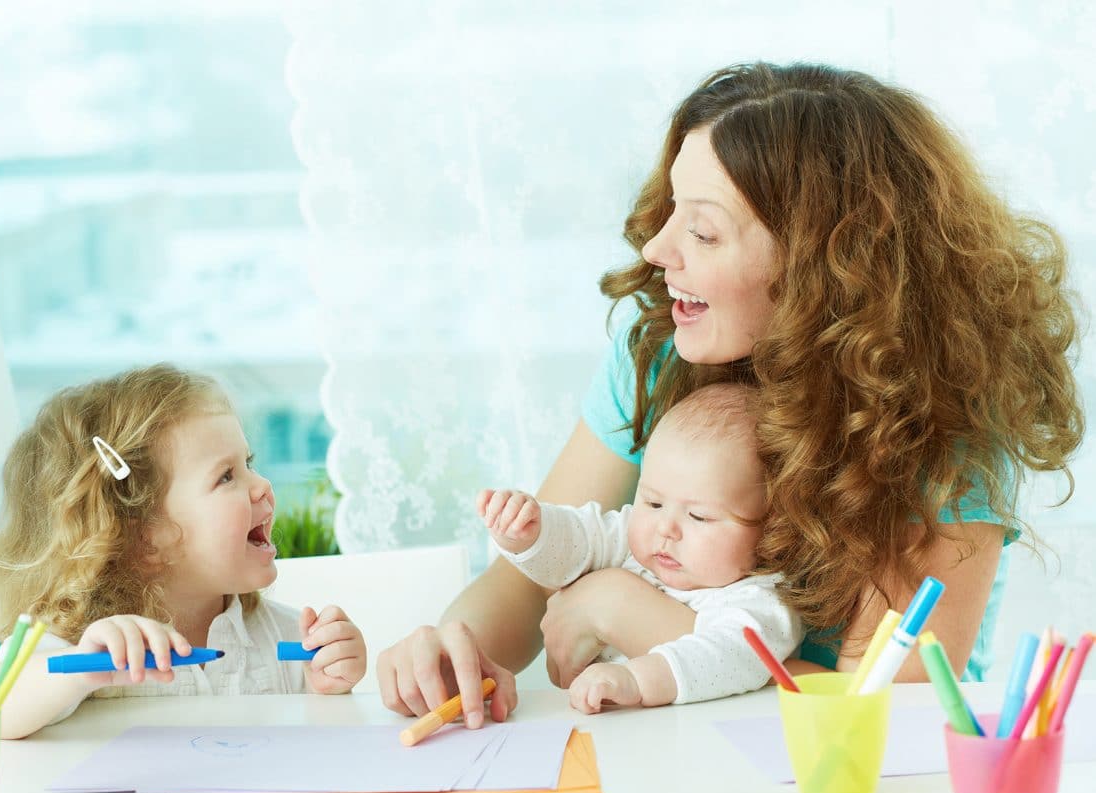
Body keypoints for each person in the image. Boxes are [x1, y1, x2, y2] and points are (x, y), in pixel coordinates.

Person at [376, 61, 1083, 730]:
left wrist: (621, 606)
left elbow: (873, 709)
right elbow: (525, 583)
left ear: (822, 267)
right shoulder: (655, 357)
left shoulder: (940, 437)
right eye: (673, 210)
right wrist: (450, 645)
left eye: (704, 229)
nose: (657, 248)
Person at [0, 364, 366, 738]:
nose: (263, 485)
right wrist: (82, 668)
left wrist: (327, 691)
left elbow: (320, 747)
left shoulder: (288, 639)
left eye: (247, 464)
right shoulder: (82, 639)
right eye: (226, 476)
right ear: (146, 538)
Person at [478, 383, 802, 713]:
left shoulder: (762, 600)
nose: (666, 528)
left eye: (698, 516)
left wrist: (637, 679)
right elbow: (581, 540)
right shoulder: (636, 539)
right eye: (653, 502)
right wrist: (530, 533)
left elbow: (728, 657)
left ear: (771, 531)